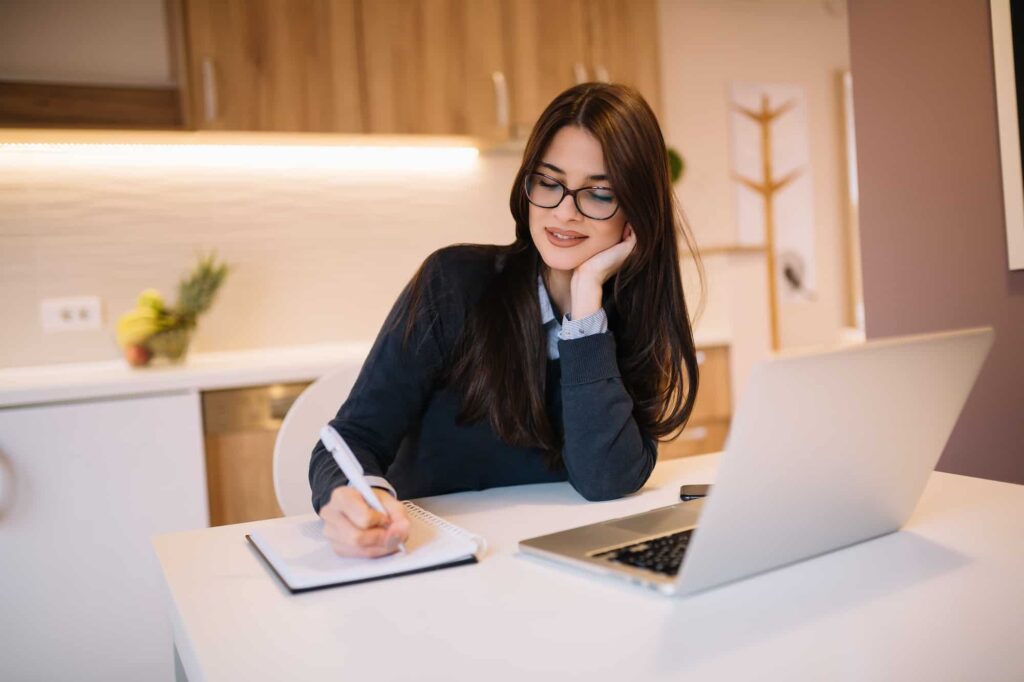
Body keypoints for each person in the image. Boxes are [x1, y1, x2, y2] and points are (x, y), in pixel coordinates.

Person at [310, 82, 702, 558]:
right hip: (435, 567)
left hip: (553, 571)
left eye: (599, 194)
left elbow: (606, 479)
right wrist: (360, 500)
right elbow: (353, 438)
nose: (564, 212)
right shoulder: (455, 283)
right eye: (549, 182)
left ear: (636, 213)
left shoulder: (622, 320)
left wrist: (584, 310)